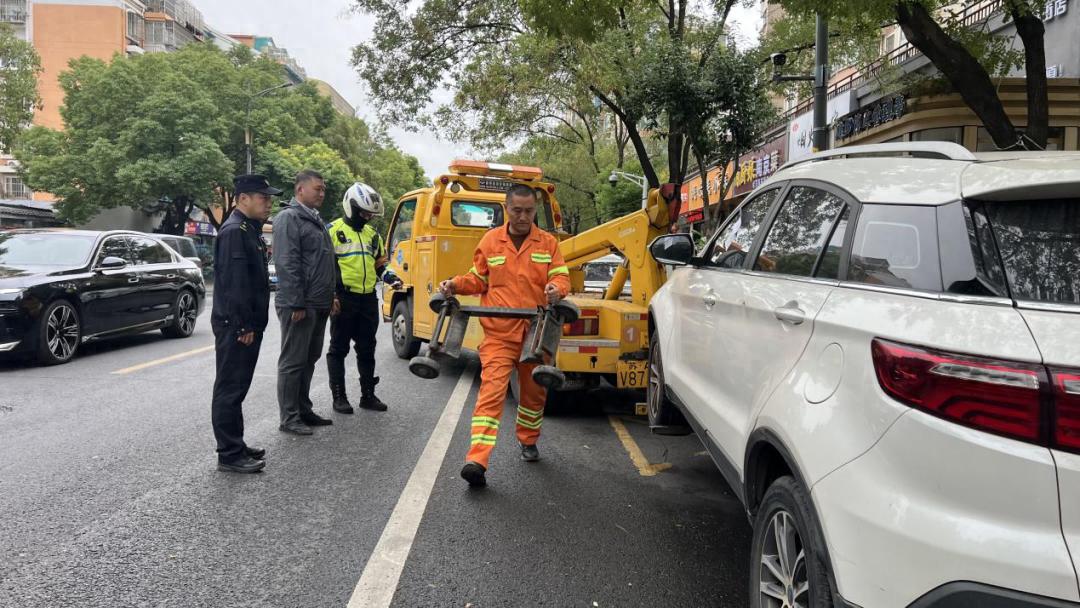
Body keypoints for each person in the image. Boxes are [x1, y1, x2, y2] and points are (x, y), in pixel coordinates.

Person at [439, 184, 571, 487]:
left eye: (529, 211)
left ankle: (528, 439)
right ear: (506, 208)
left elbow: (560, 275)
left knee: (534, 394)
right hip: (499, 335)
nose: (523, 217)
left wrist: (557, 288)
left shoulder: (547, 243)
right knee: (490, 393)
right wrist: (455, 285)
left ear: (535, 210)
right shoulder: (490, 241)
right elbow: (478, 279)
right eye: (517, 210)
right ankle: (477, 460)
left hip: (536, 335)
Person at [210, 174, 280, 474]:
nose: (268, 203)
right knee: (229, 388)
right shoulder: (234, 232)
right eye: (262, 197)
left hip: (245, 323)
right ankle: (229, 454)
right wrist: (242, 326)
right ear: (242, 199)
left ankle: (235, 444)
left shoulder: (248, 229)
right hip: (235, 325)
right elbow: (235, 284)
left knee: (237, 387)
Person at [326, 182, 402, 414]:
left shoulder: (372, 235)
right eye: (364, 212)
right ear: (350, 206)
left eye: (370, 214)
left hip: (368, 300)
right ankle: (339, 397)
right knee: (338, 349)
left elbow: (380, 263)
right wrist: (331, 295)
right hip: (343, 299)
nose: (367, 217)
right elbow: (324, 268)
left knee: (367, 349)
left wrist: (391, 278)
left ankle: (368, 396)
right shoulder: (331, 230)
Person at [272, 170, 336, 435]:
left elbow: (324, 262)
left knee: (309, 358)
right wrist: (297, 303)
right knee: (293, 361)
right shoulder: (289, 218)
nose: (321, 193)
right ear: (300, 190)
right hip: (300, 304)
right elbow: (287, 264)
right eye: (317, 189)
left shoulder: (314, 219)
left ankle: (302, 409)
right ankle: (289, 417)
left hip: (318, 303)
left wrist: (331, 296)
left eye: (323, 189)